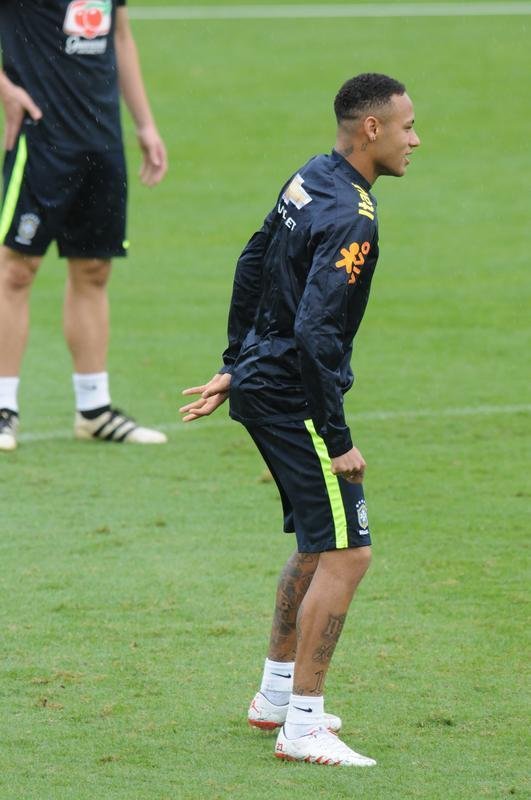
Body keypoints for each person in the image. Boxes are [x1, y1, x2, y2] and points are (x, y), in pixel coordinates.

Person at [180, 73, 420, 766]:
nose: (415, 139)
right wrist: (336, 439)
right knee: (350, 552)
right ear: (370, 129)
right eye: (405, 125)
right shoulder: (353, 216)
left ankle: (277, 697)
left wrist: (237, 360)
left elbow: (253, 259)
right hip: (294, 398)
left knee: (319, 542)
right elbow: (317, 329)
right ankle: (305, 727)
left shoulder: (309, 175)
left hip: (266, 378)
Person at [0, 0, 168, 451]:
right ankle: (3, 409)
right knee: (16, 269)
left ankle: (93, 410)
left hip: (101, 143)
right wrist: (4, 88)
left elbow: (121, 38)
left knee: (95, 269)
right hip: (40, 140)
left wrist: (145, 125)